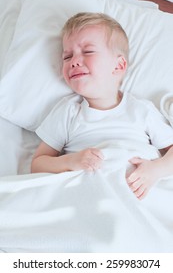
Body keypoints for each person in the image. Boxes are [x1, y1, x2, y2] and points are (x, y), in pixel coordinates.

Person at [31, 12, 173, 200]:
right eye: (67, 56)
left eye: (88, 51)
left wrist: (155, 170)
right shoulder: (68, 111)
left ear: (118, 65)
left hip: (138, 195)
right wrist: (71, 161)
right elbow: (38, 164)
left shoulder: (142, 110)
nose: (74, 61)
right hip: (89, 196)